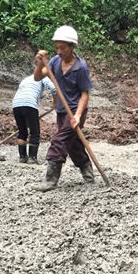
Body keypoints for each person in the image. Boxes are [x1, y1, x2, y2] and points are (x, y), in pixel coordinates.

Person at [34, 25, 94, 191]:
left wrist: (78, 116)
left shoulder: (80, 67)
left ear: (71, 46)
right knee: (72, 143)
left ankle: (50, 180)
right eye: (57, 47)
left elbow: (85, 94)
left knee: (59, 140)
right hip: (62, 111)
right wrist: (40, 63)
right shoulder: (54, 61)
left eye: (62, 48)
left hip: (75, 111)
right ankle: (88, 173)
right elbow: (38, 77)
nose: (59, 51)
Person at [12, 70, 57, 164]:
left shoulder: (26, 79)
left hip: (16, 104)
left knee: (22, 131)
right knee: (34, 132)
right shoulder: (43, 77)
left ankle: (22, 157)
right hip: (29, 104)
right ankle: (32, 158)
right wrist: (55, 103)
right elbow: (54, 88)